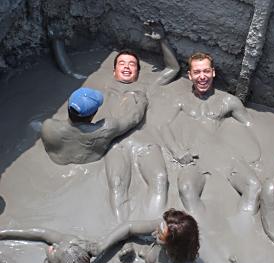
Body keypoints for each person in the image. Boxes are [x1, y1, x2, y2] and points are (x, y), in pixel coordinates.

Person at [161, 52, 262, 215]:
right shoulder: (180, 101)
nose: (202, 77)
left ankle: (242, 226)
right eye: (197, 72)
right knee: (186, 188)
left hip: (225, 155)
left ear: (213, 72)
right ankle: (201, 228)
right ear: (190, 75)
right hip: (196, 157)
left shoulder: (228, 101)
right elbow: (164, 125)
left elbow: (251, 126)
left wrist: (251, 155)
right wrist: (177, 152)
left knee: (255, 187)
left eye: (206, 71)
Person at [101, 20, 180, 222]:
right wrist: (57, 43)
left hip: (145, 142)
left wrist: (162, 41)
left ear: (137, 71)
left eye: (132, 64)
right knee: (118, 184)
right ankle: (121, 232)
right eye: (122, 64)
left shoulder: (147, 85)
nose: (127, 67)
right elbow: (68, 72)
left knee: (160, 179)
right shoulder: (102, 88)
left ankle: (150, 229)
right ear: (114, 70)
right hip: (116, 143)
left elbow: (173, 68)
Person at [91, 209, 199, 263]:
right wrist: (100, 247)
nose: (154, 233)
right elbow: (130, 227)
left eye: (159, 235)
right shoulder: (167, 225)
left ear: (174, 245)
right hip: (151, 256)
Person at [41, 87, 147, 165]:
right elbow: (135, 118)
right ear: (93, 114)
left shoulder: (47, 126)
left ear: (68, 106)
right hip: (90, 161)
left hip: (57, 160)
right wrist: (142, 99)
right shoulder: (107, 128)